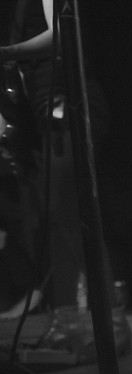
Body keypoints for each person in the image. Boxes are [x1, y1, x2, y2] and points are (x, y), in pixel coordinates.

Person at [0, 0, 115, 330]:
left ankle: (86, 318)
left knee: (66, 216)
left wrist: (7, 53)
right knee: (61, 218)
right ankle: (86, 317)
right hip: (45, 113)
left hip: (70, 105)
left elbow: (62, 35)